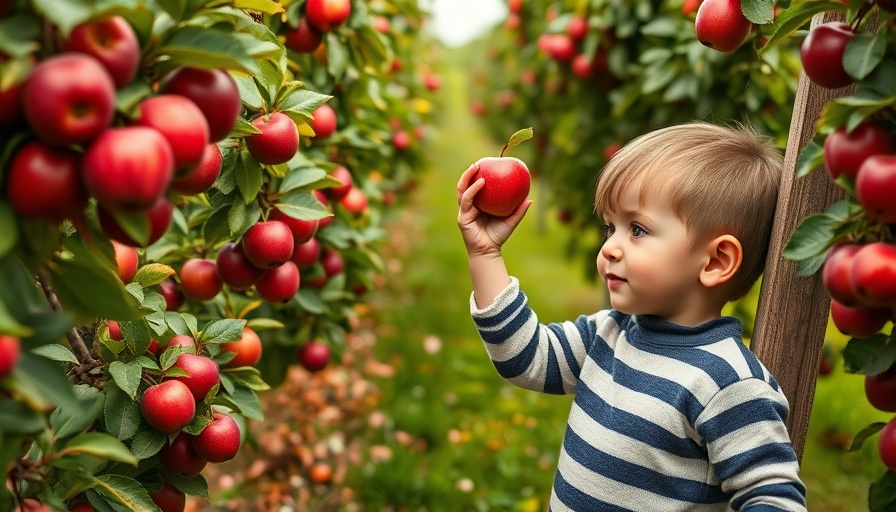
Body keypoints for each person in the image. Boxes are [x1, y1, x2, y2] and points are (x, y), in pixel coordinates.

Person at [455, 121, 807, 511]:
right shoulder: (609, 333)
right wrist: (485, 256)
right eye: (610, 228)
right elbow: (527, 358)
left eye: (636, 229)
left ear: (716, 261)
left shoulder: (726, 383)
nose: (610, 248)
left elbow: (773, 497)